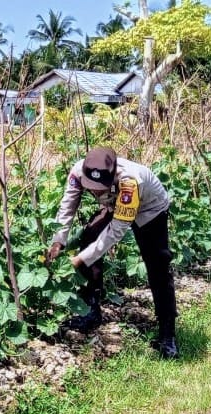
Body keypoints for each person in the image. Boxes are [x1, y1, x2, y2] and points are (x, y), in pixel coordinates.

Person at [44, 147, 179, 359]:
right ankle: (91, 310)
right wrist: (57, 241)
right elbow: (67, 207)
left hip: (150, 208)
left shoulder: (129, 182)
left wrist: (80, 260)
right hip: (114, 204)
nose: (96, 192)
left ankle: (167, 334)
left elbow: (115, 232)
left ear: (113, 174)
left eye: (100, 188)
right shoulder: (78, 172)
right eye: (92, 187)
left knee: (158, 265)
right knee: (89, 236)